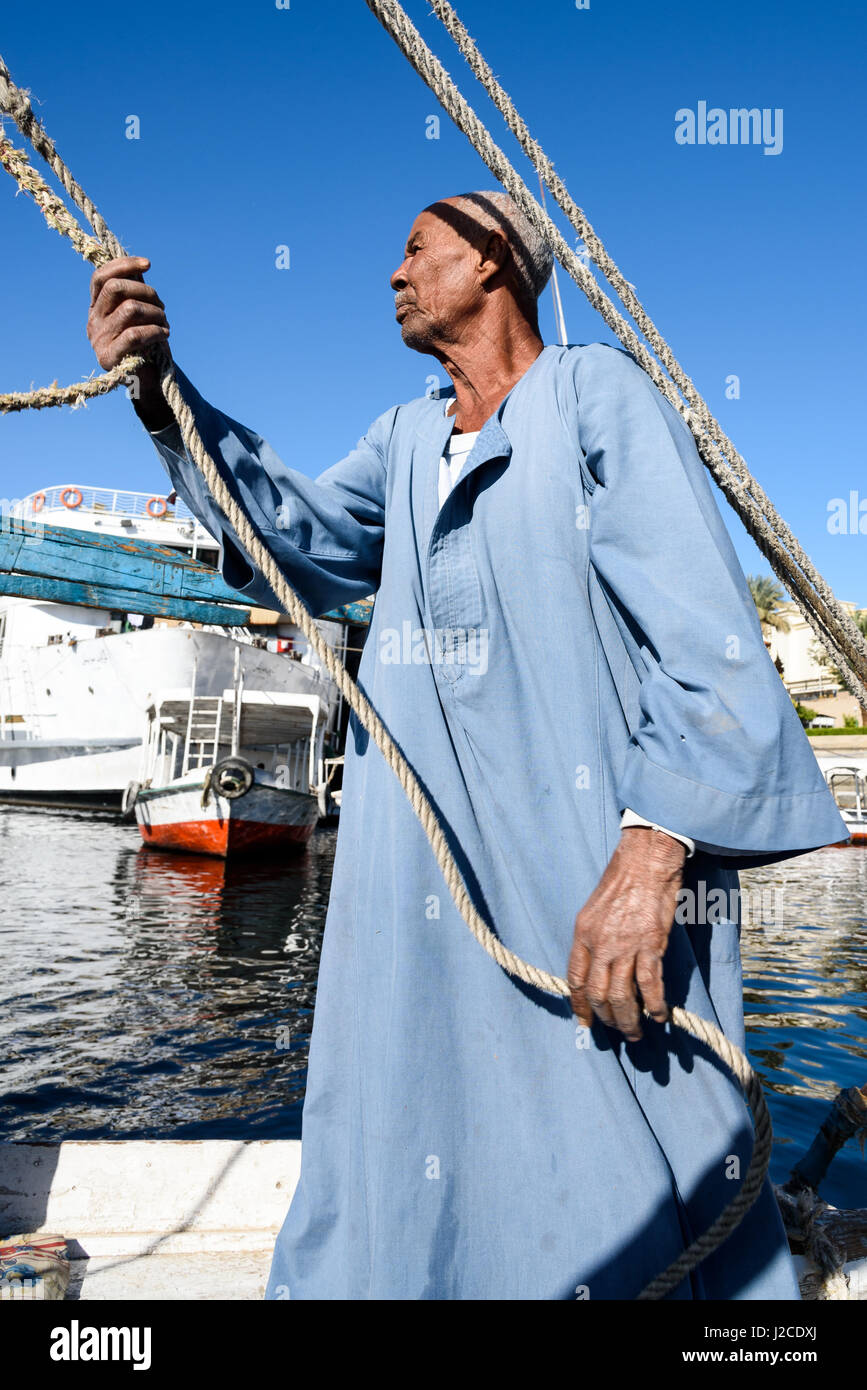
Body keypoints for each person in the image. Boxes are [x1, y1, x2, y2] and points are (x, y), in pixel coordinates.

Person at [86, 190, 847, 1300]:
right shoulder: (403, 441)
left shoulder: (597, 395)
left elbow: (711, 638)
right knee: (405, 1122)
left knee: (639, 1144)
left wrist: (650, 858)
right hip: (419, 904)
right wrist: (161, 394)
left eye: (414, 250)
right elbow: (287, 535)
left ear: (495, 259)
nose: (392, 277)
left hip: (593, 878)